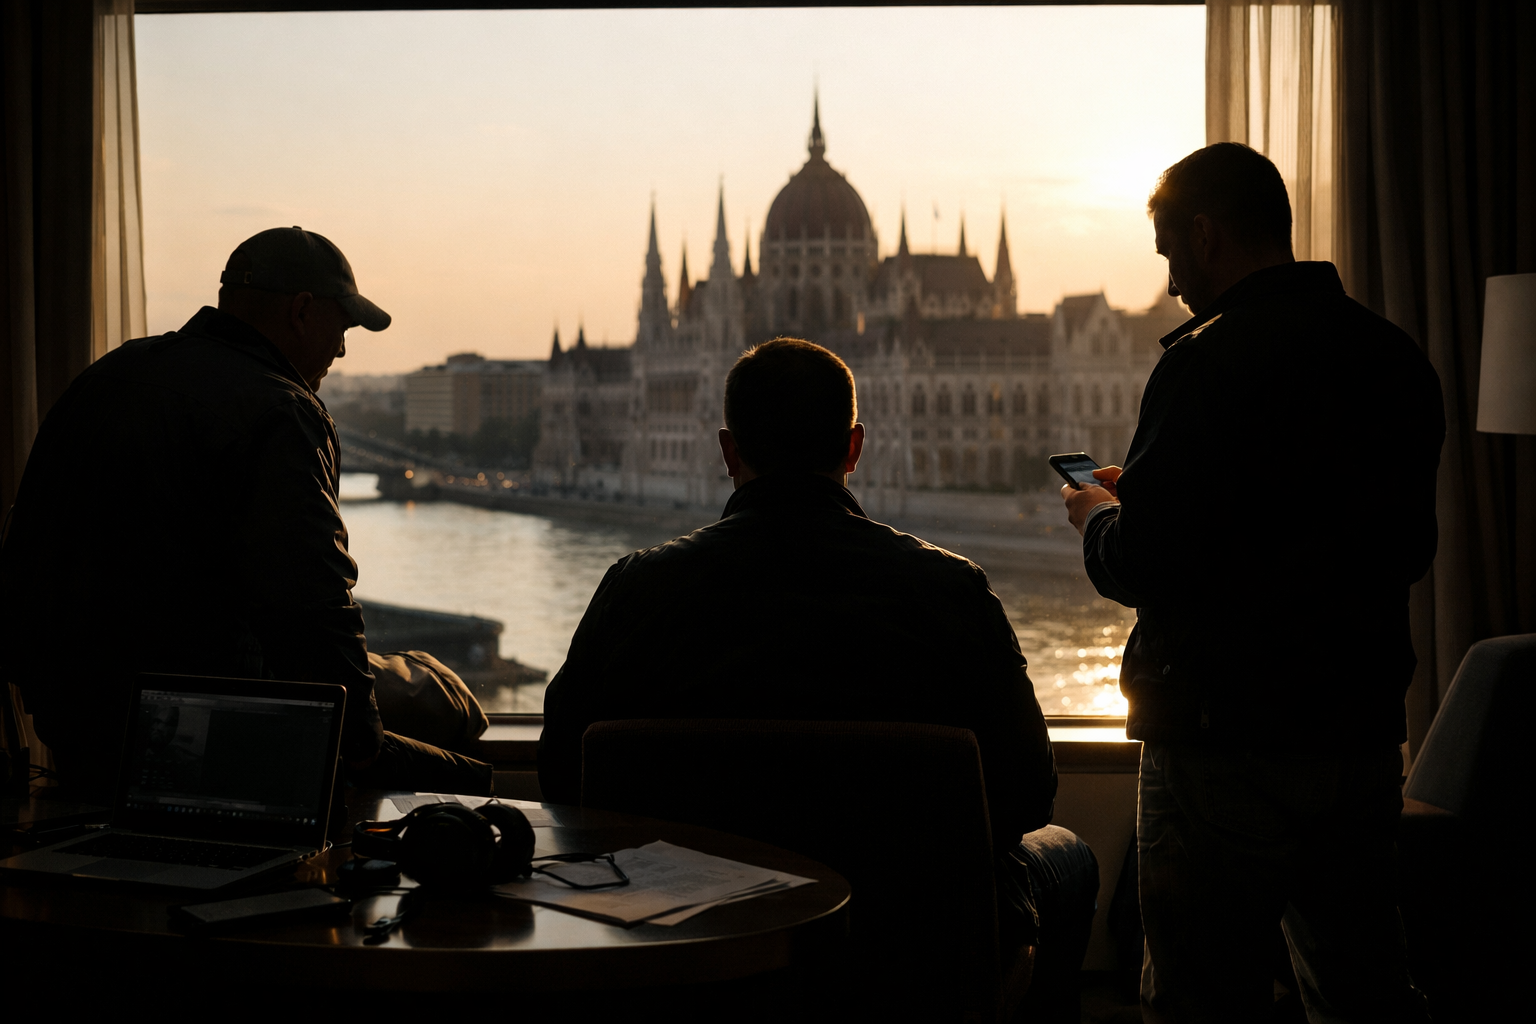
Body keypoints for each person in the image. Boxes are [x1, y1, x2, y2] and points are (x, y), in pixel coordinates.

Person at [541, 337, 1098, 1020]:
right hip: (912, 958)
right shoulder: (951, 592)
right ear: (854, 447)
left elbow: (564, 781)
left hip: (694, 955)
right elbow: (1025, 795)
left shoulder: (633, 592)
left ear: (728, 451)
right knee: (1070, 858)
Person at [1059, 143, 1444, 1022]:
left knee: (1203, 995)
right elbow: (1405, 547)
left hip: (1218, 739)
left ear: (1205, 233)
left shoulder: (1205, 364)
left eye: (1168, 256)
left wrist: (1101, 518)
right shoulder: (1392, 357)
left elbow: (1143, 564)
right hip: (1353, 733)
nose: (1170, 286)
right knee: (1362, 986)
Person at [0, 227, 492, 801]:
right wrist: (363, 747)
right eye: (343, 326)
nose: (341, 350)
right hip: (216, 724)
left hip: (78, 730)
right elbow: (313, 606)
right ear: (303, 311)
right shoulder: (280, 411)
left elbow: (26, 561)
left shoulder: (110, 374)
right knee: (456, 736)